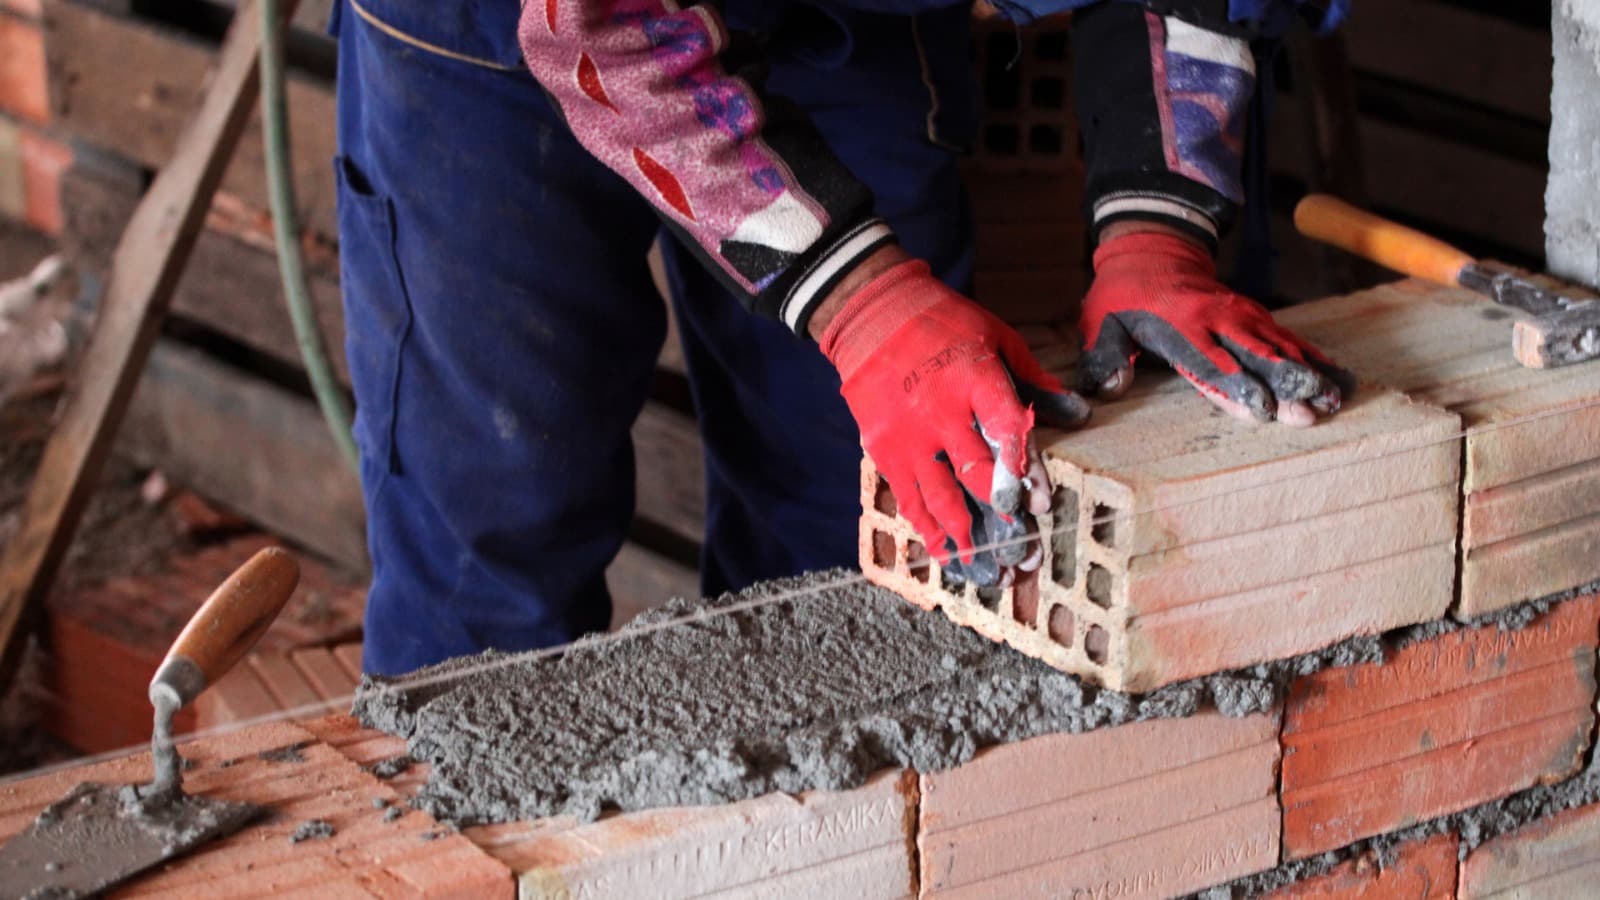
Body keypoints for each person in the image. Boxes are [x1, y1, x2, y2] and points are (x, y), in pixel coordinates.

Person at [331, 0, 1353, 676]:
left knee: (856, 547)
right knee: (491, 520)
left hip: (846, 27)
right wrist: (861, 302)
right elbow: (597, 29)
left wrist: (1158, 224)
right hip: (480, 36)